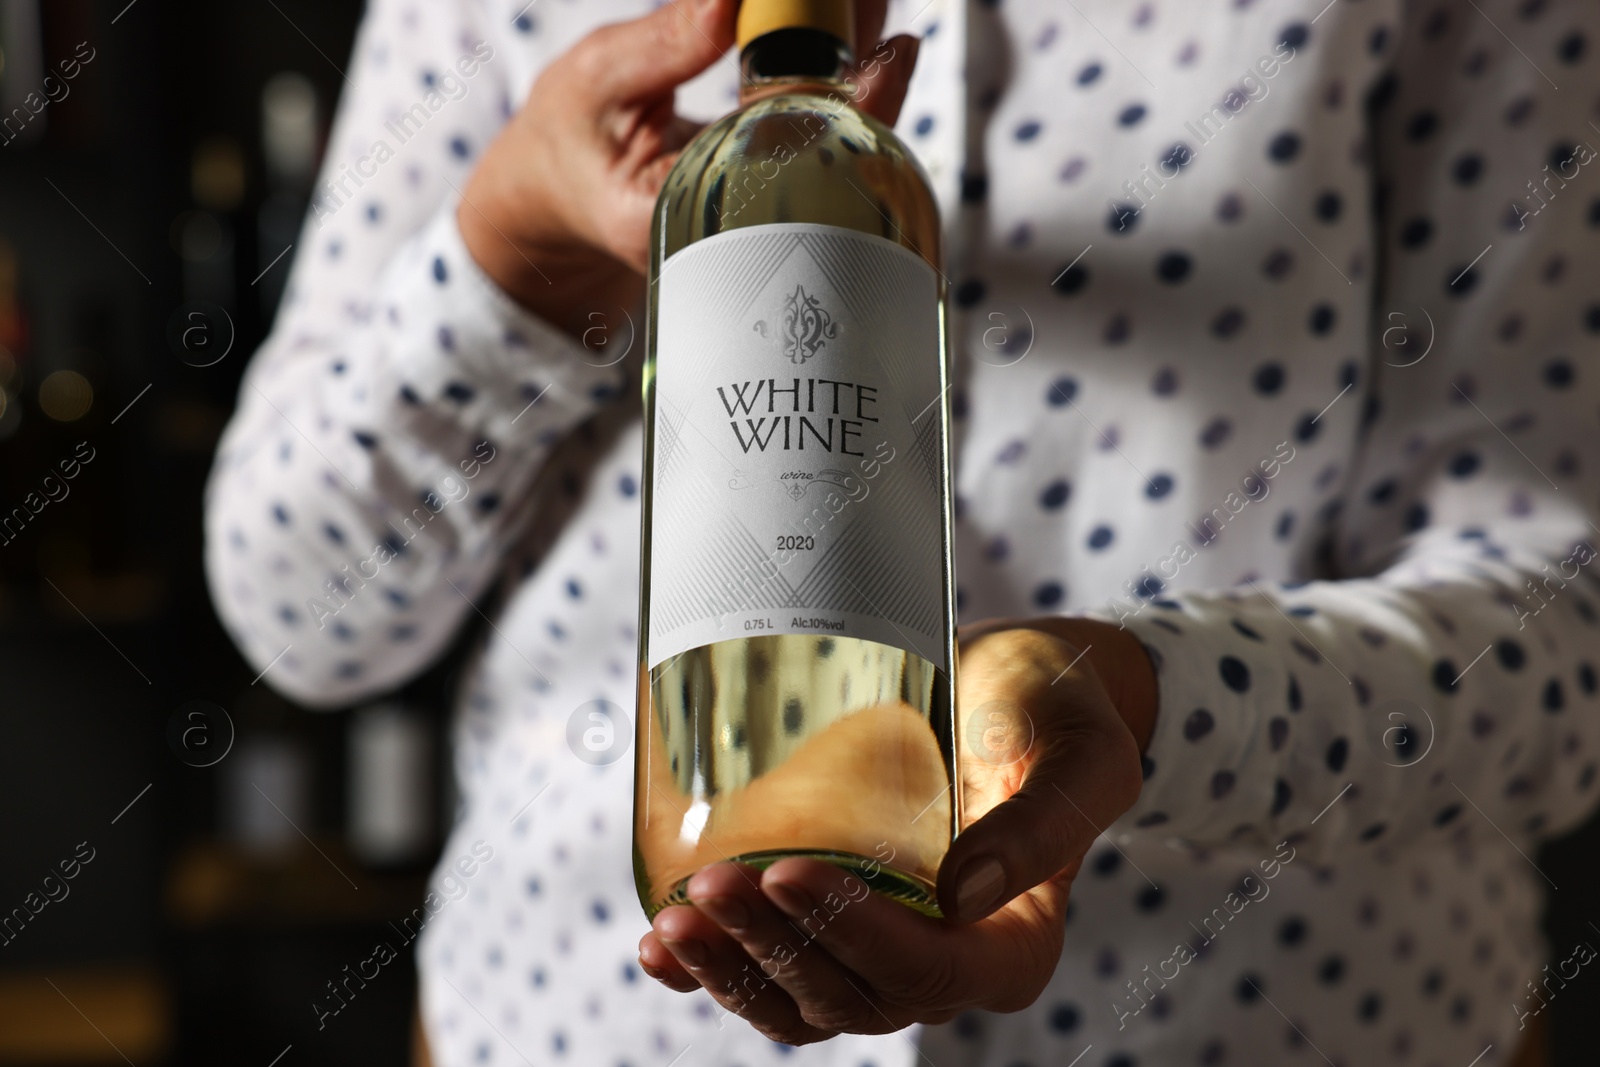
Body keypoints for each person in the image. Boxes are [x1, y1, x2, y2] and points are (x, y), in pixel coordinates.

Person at [204, 0, 1600, 1063]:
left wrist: (1157, 701)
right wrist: (520, 263)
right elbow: (295, 610)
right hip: (580, 1020)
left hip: (1289, 1016)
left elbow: (1564, 642)